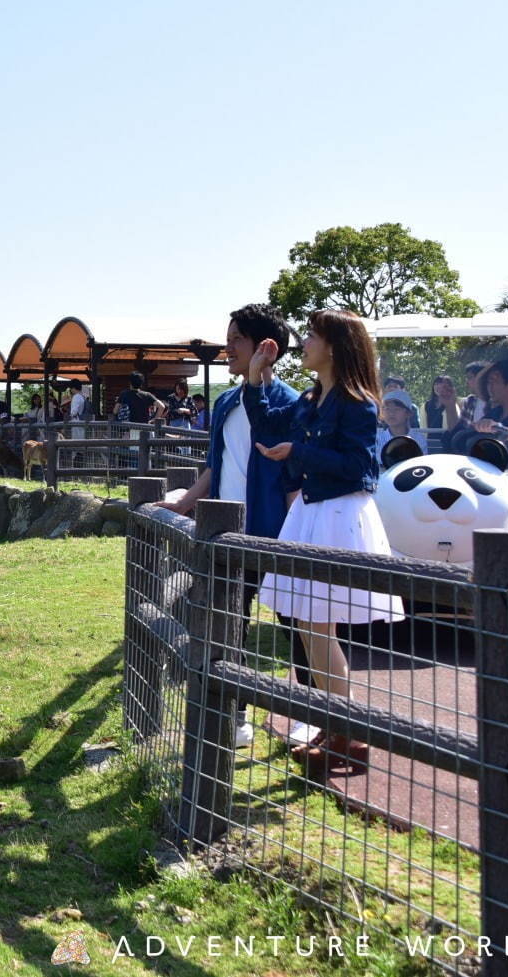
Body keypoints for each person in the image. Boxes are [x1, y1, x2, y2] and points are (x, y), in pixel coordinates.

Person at [246, 308, 404, 771]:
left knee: (317, 627)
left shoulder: (357, 403)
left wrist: (300, 451)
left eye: (313, 336)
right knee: (310, 627)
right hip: (315, 511)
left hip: (338, 514)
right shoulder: (313, 399)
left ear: (334, 346)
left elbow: (361, 469)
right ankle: (342, 727)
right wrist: (258, 379)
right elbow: (271, 426)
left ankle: (347, 729)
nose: (305, 344)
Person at [158, 303, 304, 747]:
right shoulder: (224, 402)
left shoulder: (289, 403)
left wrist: (298, 533)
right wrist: (184, 504)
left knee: (296, 624)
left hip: (275, 532)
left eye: (236, 340)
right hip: (225, 531)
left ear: (266, 347)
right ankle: (234, 715)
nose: (227, 349)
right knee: (229, 623)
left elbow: (296, 477)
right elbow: (215, 467)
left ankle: (309, 712)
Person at [447, 358, 508, 466]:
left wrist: (500, 429)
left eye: (493, 381)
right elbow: (460, 438)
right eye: (488, 382)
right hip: (494, 476)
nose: (489, 386)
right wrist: (472, 429)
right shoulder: (496, 413)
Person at [374, 390, 428, 460]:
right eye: (387, 409)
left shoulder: (419, 439)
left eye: (396, 409)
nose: (391, 413)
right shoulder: (377, 439)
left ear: (408, 413)